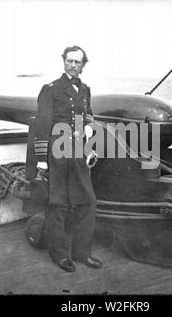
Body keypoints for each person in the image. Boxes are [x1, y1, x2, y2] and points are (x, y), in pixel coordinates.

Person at [33, 45, 102, 272]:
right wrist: (42, 160)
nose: (73, 66)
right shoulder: (50, 89)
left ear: (83, 65)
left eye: (78, 62)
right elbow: (41, 125)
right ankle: (59, 255)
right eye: (70, 61)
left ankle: (82, 253)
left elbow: (88, 115)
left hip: (78, 154)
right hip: (57, 154)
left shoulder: (86, 89)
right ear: (63, 61)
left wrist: (90, 136)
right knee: (58, 205)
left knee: (88, 202)